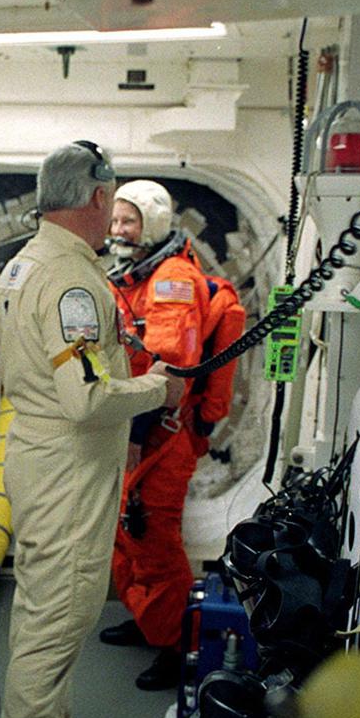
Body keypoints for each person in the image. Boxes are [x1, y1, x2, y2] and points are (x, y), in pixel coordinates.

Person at [0, 143, 184, 718]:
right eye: (112, 200)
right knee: (53, 622)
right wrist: (158, 390)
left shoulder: (24, 261)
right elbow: (87, 397)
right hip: (68, 472)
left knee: (57, 613)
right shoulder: (73, 283)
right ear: (98, 197)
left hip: (46, 464)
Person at [101, 180, 212, 690]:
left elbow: (169, 371)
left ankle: (178, 644)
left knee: (154, 539)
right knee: (126, 533)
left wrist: (135, 436)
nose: (120, 232)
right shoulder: (130, 276)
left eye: (131, 222)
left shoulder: (173, 280)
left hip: (161, 431)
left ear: (156, 226)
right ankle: (150, 621)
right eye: (116, 221)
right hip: (133, 424)